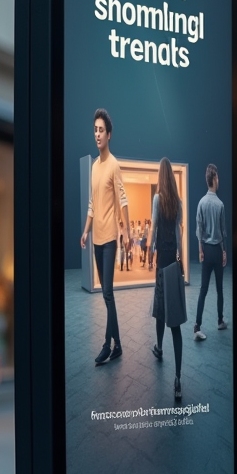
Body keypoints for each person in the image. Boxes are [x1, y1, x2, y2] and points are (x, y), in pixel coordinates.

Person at [79, 108, 130, 366]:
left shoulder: (114, 165)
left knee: (108, 293)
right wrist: (86, 230)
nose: (97, 134)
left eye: (101, 130)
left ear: (109, 135)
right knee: (106, 295)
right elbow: (92, 203)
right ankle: (119, 345)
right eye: (95, 130)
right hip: (96, 239)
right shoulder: (94, 168)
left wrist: (127, 231)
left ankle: (107, 346)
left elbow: (123, 199)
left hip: (110, 237)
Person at [149, 157, 185, 400]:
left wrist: (151, 250)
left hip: (162, 263)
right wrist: (180, 256)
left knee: (160, 310)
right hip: (174, 261)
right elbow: (179, 230)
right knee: (175, 322)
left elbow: (154, 227)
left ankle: (159, 348)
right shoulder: (178, 203)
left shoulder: (157, 199)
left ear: (161, 178)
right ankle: (179, 378)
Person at [194, 163, 229, 340]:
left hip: (206, 250)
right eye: (218, 177)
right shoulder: (220, 204)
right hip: (217, 249)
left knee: (203, 289)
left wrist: (201, 250)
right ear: (214, 179)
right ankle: (220, 320)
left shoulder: (201, 202)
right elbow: (223, 232)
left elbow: (199, 230)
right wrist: (224, 252)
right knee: (220, 289)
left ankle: (197, 326)